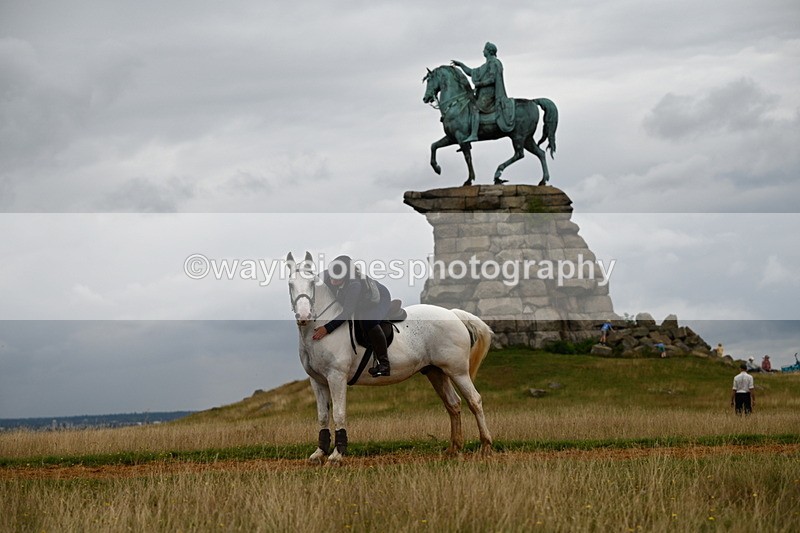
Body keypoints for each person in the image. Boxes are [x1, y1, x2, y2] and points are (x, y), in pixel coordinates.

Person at [312, 256, 393, 377]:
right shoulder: (326, 275)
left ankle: (384, 364)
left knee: (368, 322)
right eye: (332, 276)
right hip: (357, 300)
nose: (333, 280)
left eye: (338, 278)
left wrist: (327, 328)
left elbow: (347, 312)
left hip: (378, 299)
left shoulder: (354, 284)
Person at [451, 42, 515, 142]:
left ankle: (474, 134)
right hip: (483, 94)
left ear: (489, 51)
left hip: (490, 94)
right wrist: (461, 65)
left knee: (474, 108)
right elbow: (471, 72)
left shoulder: (494, 63)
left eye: (484, 49)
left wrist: (480, 84)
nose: (483, 51)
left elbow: (492, 79)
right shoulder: (486, 65)